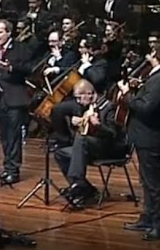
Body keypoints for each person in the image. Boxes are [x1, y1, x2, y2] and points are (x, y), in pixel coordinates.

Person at [117, 39, 160, 240]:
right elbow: (148, 98)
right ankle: (147, 218)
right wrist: (139, 87)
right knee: (146, 180)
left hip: (150, 135)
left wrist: (126, 95)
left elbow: (146, 107)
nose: (147, 54)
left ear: (156, 55)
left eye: (150, 51)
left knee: (153, 181)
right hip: (144, 134)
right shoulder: (157, 76)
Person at [52, 79, 128, 207]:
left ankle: (77, 183)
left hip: (109, 148)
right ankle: (85, 189)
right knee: (61, 153)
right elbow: (85, 130)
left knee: (81, 140)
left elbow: (113, 134)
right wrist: (77, 123)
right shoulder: (87, 107)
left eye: (79, 97)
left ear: (88, 93)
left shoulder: (109, 107)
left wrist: (98, 125)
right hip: (91, 146)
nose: (77, 101)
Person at [0, 19, 33, 185]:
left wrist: (10, 68)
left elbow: (29, 68)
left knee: (13, 135)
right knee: (4, 135)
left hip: (15, 97)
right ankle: (6, 166)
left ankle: (13, 170)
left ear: (9, 32)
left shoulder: (21, 48)